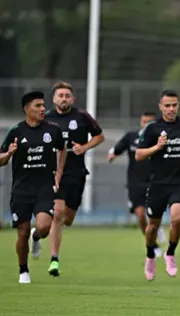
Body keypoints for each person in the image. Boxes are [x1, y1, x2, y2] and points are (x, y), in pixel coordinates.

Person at [30, 81, 104, 277]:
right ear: (53, 99)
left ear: (73, 99)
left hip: (76, 173)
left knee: (67, 219)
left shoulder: (82, 116)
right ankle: (54, 260)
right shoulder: (45, 119)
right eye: (60, 95)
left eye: (67, 96)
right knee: (58, 213)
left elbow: (99, 136)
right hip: (53, 174)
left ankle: (36, 235)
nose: (63, 99)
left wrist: (85, 147)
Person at [0, 91, 66, 283]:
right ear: (26, 109)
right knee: (21, 230)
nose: (42, 109)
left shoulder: (52, 130)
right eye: (37, 106)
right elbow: (1, 160)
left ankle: (36, 237)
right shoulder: (16, 132)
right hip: (21, 190)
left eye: (43, 105)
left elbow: (62, 149)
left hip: (44, 188)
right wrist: (8, 154)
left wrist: (59, 173)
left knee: (44, 227)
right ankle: (23, 271)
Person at [136, 90, 180, 281]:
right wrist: (156, 147)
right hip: (158, 184)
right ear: (160, 107)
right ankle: (150, 255)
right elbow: (139, 155)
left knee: (176, 219)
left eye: (174, 105)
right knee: (153, 225)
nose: (171, 109)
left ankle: (170, 253)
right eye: (167, 105)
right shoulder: (152, 128)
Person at [108, 112, 166, 256]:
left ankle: (156, 228)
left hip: (155, 181)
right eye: (144, 121)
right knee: (140, 215)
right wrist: (112, 154)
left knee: (155, 213)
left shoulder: (160, 139)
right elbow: (116, 149)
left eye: (149, 122)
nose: (146, 124)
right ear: (140, 122)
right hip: (135, 182)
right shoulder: (131, 137)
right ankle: (152, 244)